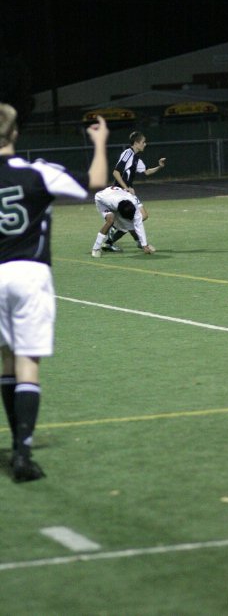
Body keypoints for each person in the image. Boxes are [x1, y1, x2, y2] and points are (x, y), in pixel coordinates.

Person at [0, 104, 109, 482]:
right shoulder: (36, 172)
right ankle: (22, 456)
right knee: (28, 362)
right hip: (30, 274)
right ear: (14, 134)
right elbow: (95, 181)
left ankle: (16, 441)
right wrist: (99, 142)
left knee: (7, 362)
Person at [105, 131, 166, 250]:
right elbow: (116, 172)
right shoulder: (127, 153)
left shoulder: (136, 158)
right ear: (136, 143)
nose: (145, 144)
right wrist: (126, 187)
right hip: (120, 192)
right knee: (139, 216)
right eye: (143, 142)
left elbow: (147, 171)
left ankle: (114, 239)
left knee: (139, 216)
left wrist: (159, 166)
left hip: (127, 192)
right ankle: (120, 238)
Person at [91, 186, 155, 257]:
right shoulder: (108, 200)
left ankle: (140, 243)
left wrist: (145, 245)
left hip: (118, 196)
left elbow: (139, 225)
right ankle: (96, 248)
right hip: (102, 200)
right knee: (110, 220)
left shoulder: (134, 203)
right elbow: (130, 225)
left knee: (130, 224)